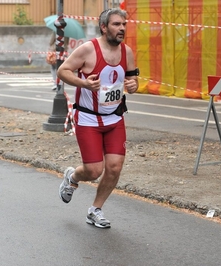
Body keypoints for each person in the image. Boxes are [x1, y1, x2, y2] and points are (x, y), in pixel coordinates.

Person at [57, 8, 139, 229]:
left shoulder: (127, 52)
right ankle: (73, 177)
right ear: (104, 27)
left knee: (114, 168)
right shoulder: (87, 50)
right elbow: (63, 71)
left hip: (114, 118)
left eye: (124, 24)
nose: (121, 28)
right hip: (89, 119)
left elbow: (132, 81)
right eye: (116, 24)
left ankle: (95, 210)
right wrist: (84, 83)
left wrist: (133, 86)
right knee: (93, 171)